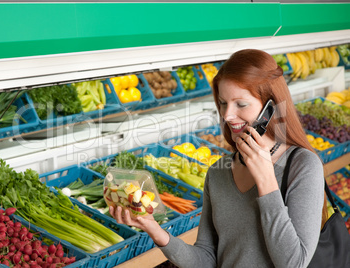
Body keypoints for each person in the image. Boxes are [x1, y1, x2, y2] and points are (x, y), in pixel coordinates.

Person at [109, 49, 328, 268]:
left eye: (240, 104)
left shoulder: (303, 166)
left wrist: (267, 183)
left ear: (270, 108)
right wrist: (155, 231)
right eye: (223, 103)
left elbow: (294, 263)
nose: (227, 115)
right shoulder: (218, 172)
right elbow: (206, 259)